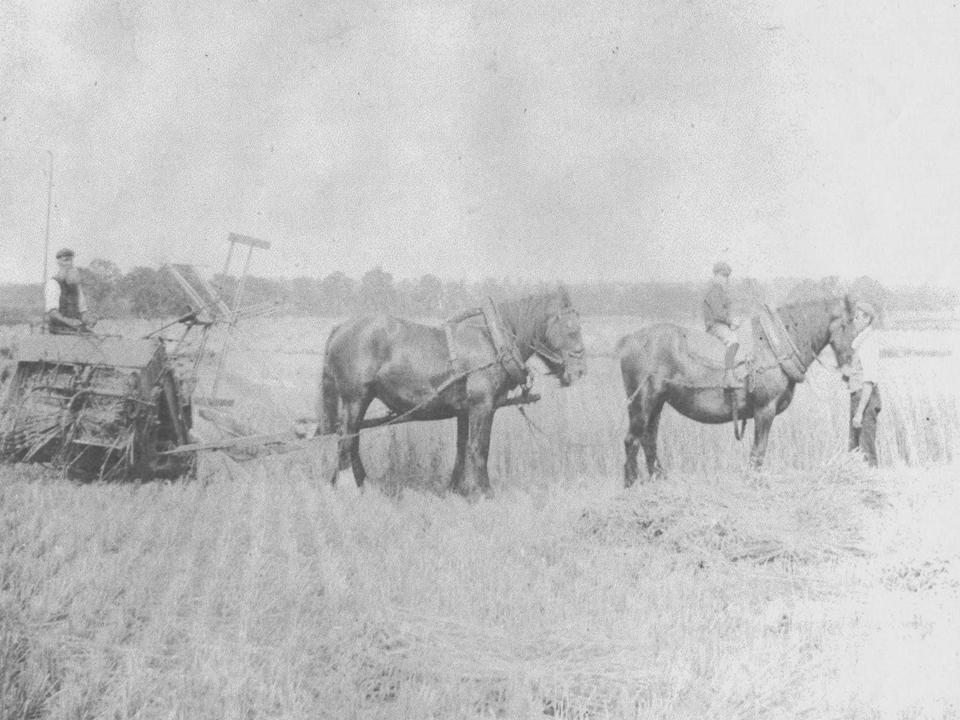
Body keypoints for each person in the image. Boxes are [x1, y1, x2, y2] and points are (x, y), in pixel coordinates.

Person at [841, 301, 882, 467]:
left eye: (858, 317)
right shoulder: (861, 342)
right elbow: (859, 374)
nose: (854, 321)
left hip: (865, 400)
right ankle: (860, 488)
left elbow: (869, 382)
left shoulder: (868, 344)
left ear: (867, 319)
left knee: (866, 450)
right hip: (858, 398)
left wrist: (859, 413)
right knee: (855, 450)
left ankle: (872, 487)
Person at [703, 261, 741, 388]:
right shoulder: (714, 290)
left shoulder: (719, 290)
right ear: (716, 275)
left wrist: (731, 324)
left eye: (727, 276)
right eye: (723, 276)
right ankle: (729, 378)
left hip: (719, 325)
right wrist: (731, 322)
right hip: (714, 326)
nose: (726, 279)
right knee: (733, 341)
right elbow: (718, 313)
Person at [45, 248, 96, 334]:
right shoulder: (53, 284)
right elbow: (52, 313)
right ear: (59, 263)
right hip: (58, 329)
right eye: (66, 260)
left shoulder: (76, 286)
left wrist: (88, 320)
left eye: (71, 261)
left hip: (76, 328)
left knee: (94, 338)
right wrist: (69, 321)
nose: (69, 264)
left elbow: (82, 311)